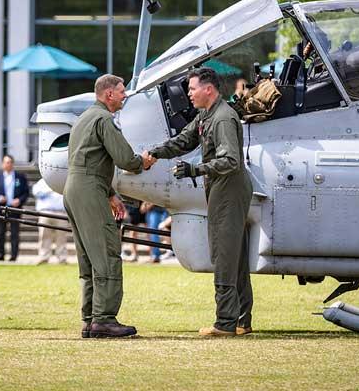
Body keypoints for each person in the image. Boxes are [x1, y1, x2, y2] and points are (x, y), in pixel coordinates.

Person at [145, 67, 253, 337]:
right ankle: (241, 320)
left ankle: (225, 323)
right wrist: (155, 153)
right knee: (234, 256)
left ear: (208, 89)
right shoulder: (207, 115)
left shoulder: (224, 118)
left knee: (224, 254)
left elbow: (231, 161)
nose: (189, 94)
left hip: (229, 190)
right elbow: (184, 140)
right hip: (222, 188)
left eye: (192, 89)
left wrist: (195, 170)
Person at [64, 74, 144, 339]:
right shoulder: (104, 119)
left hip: (75, 188)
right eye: (121, 91)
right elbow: (125, 159)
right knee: (107, 254)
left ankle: (90, 319)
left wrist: (110, 193)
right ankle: (105, 319)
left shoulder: (84, 118)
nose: (124, 95)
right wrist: (142, 161)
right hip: (89, 189)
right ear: (108, 94)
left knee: (89, 259)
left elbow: (85, 159)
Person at [0, 154, 29, 261]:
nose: (9, 164)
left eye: (10, 162)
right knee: (0, 232)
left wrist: (19, 200)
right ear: (3, 164)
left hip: (15, 208)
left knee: (15, 232)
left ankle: (13, 255)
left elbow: (26, 192)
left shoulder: (20, 177)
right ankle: (0, 254)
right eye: (6, 162)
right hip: (1, 208)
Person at [32, 178, 68, 265]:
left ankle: (62, 258)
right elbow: (36, 193)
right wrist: (50, 190)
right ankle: (44, 257)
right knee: (44, 236)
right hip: (46, 212)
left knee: (61, 236)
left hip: (61, 212)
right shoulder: (42, 182)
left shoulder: (63, 180)